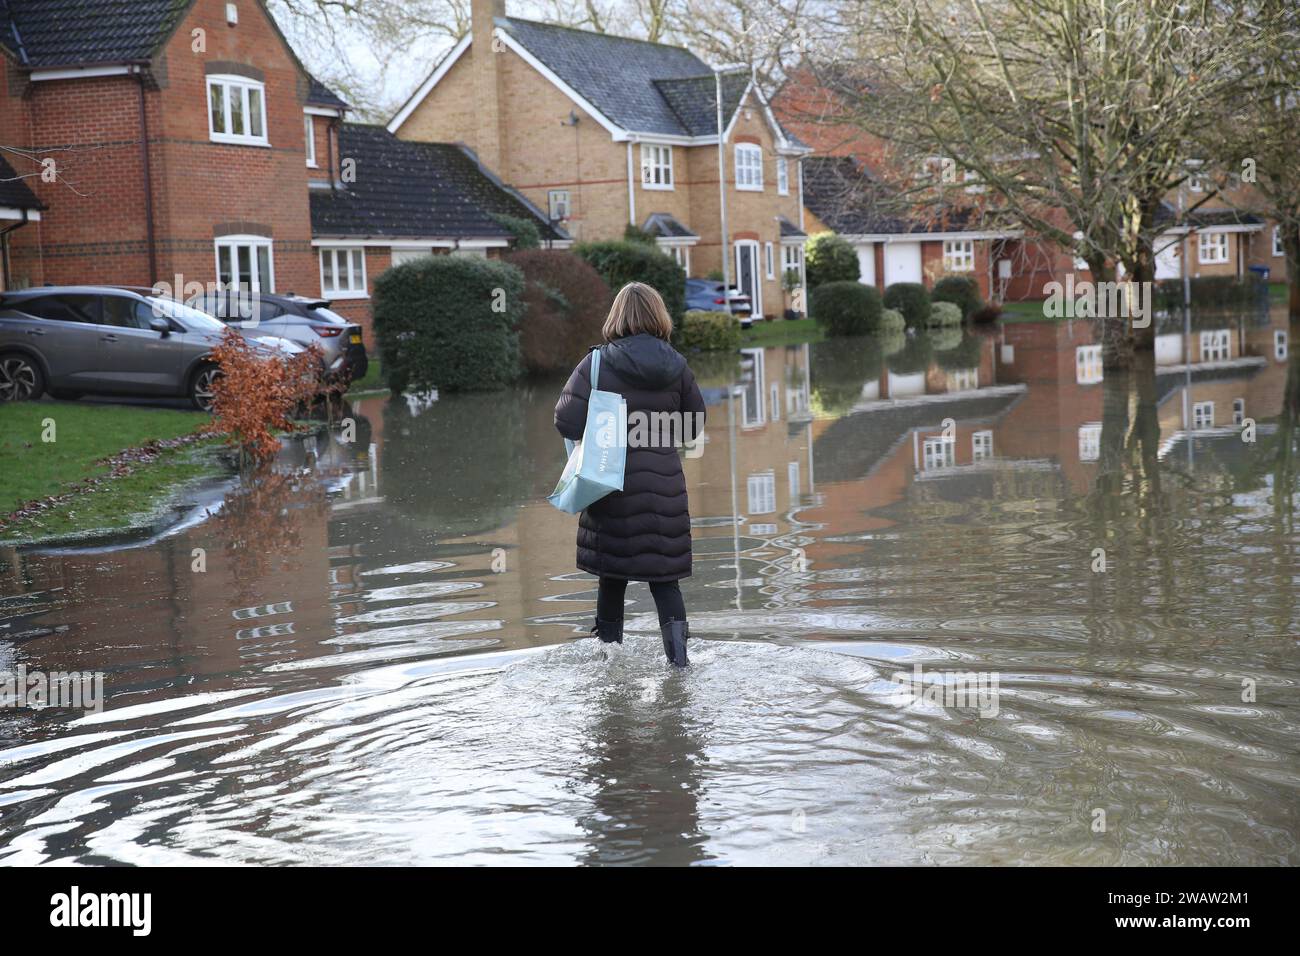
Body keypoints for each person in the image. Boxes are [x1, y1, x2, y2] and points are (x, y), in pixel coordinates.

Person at [554, 282, 707, 666]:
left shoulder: (597, 364)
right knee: (664, 579)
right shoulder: (676, 365)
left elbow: (566, 420)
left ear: (616, 316)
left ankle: (610, 662)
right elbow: (693, 427)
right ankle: (679, 663)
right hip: (664, 488)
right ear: (659, 316)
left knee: (612, 575)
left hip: (610, 485)